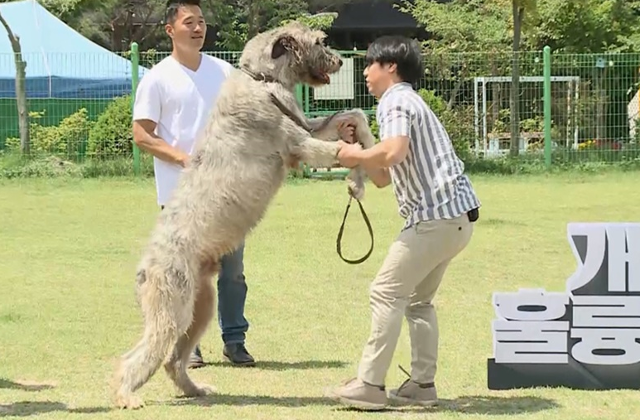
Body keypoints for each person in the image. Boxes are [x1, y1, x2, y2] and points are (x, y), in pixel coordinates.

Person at [326, 35, 481, 410]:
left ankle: (370, 384)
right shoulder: (408, 102)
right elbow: (383, 176)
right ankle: (422, 385)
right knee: (417, 301)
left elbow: (393, 152)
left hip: (434, 219)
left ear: (390, 67)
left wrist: (352, 153)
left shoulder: (394, 100)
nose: (364, 72)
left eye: (370, 64)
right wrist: (360, 146)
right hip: (457, 219)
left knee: (384, 292)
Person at [131, 0, 255, 368]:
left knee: (233, 271)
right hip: (182, 197)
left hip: (228, 193)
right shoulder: (157, 78)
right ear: (170, 30)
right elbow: (142, 134)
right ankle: (189, 345)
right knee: (187, 273)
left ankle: (235, 340)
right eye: (189, 22)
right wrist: (184, 159)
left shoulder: (224, 71)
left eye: (201, 22)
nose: (198, 28)